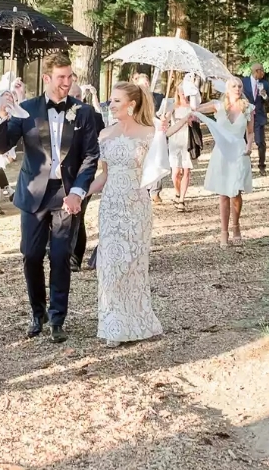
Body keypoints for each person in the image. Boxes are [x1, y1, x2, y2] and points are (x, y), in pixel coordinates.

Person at [0, 53, 100, 343]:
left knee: (61, 255)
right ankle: (37, 312)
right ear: (46, 78)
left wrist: (78, 191)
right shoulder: (25, 109)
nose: (67, 82)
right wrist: (2, 115)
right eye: (61, 77)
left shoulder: (83, 112)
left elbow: (91, 155)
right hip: (33, 194)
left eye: (70, 76)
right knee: (31, 255)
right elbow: (0, 146)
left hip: (67, 194)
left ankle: (57, 318)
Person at [88, 82, 162, 348]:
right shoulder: (105, 134)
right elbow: (104, 175)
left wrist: (164, 132)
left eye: (117, 101)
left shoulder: (150, 133)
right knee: (109, 266)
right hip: (111, 207)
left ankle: (137, 321)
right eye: (111, 100)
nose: (111, 105)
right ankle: (114, 325)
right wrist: (80, 193)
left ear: (132, 105)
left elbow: (156, 167)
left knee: (133, 265)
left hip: (137, 206)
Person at [193, 76, 254, 248]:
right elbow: (195, 109)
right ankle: (224, 232)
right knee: (223, 193)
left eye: (239, 86)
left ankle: (236, 226)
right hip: (222, 152)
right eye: (233, 86)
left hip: (239, 151)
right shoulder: (218, 106)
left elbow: (250, 132)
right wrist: (192, 89)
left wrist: (249, 146)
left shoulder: (248, 108)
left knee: (236, 192)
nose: (237, 88)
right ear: (227, 89)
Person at [69, 81, 105, 272]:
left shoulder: (93, 115)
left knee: (78, 214)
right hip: (59, 175)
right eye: (71, 96)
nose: (75, 99)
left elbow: (99, 144)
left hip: (83, 173)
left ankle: (74, 257)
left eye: (78, 96)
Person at [132, 73, 164, 204]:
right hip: (139, 134)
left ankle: (155, 191)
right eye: (143, 83)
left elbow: (162, 114)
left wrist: (163, 117)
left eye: (147, 83)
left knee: (156, 160)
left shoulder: (158, 98)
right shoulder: (133, 100)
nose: (146, 85)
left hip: (154, 133)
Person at [168, 78, 198, 213]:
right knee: (175, 172)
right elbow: (165, 119)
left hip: (188, 140)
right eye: (182, 93)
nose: (184, 95)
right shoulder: (173, 107)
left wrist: (193, 121)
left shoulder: (193, 107)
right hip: (175, 140)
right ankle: (177, 191)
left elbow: (197, 122)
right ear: (178, 93)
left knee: (186, 170)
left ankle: (182, 199)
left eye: (186, 93)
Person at [242, 63, 269, 176]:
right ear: (257, 71)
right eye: (262, 70)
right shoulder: (243, 82)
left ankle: (262, 166)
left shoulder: (265, 84)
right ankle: (247, 165)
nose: (263, 73)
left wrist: (264, 96)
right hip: (245, 116)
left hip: (258, 117)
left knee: (260, 142)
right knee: (245, 142)